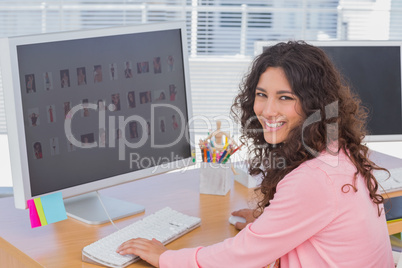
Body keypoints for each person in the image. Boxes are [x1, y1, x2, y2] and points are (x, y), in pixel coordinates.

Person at [116, 41, 393, 267]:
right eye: (262, 94)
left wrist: (165, 257)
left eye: (285, 97)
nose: (268, 110)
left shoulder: (315, 178)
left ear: (314, 105)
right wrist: (270, 225)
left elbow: (238, 258)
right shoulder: (337, 149)